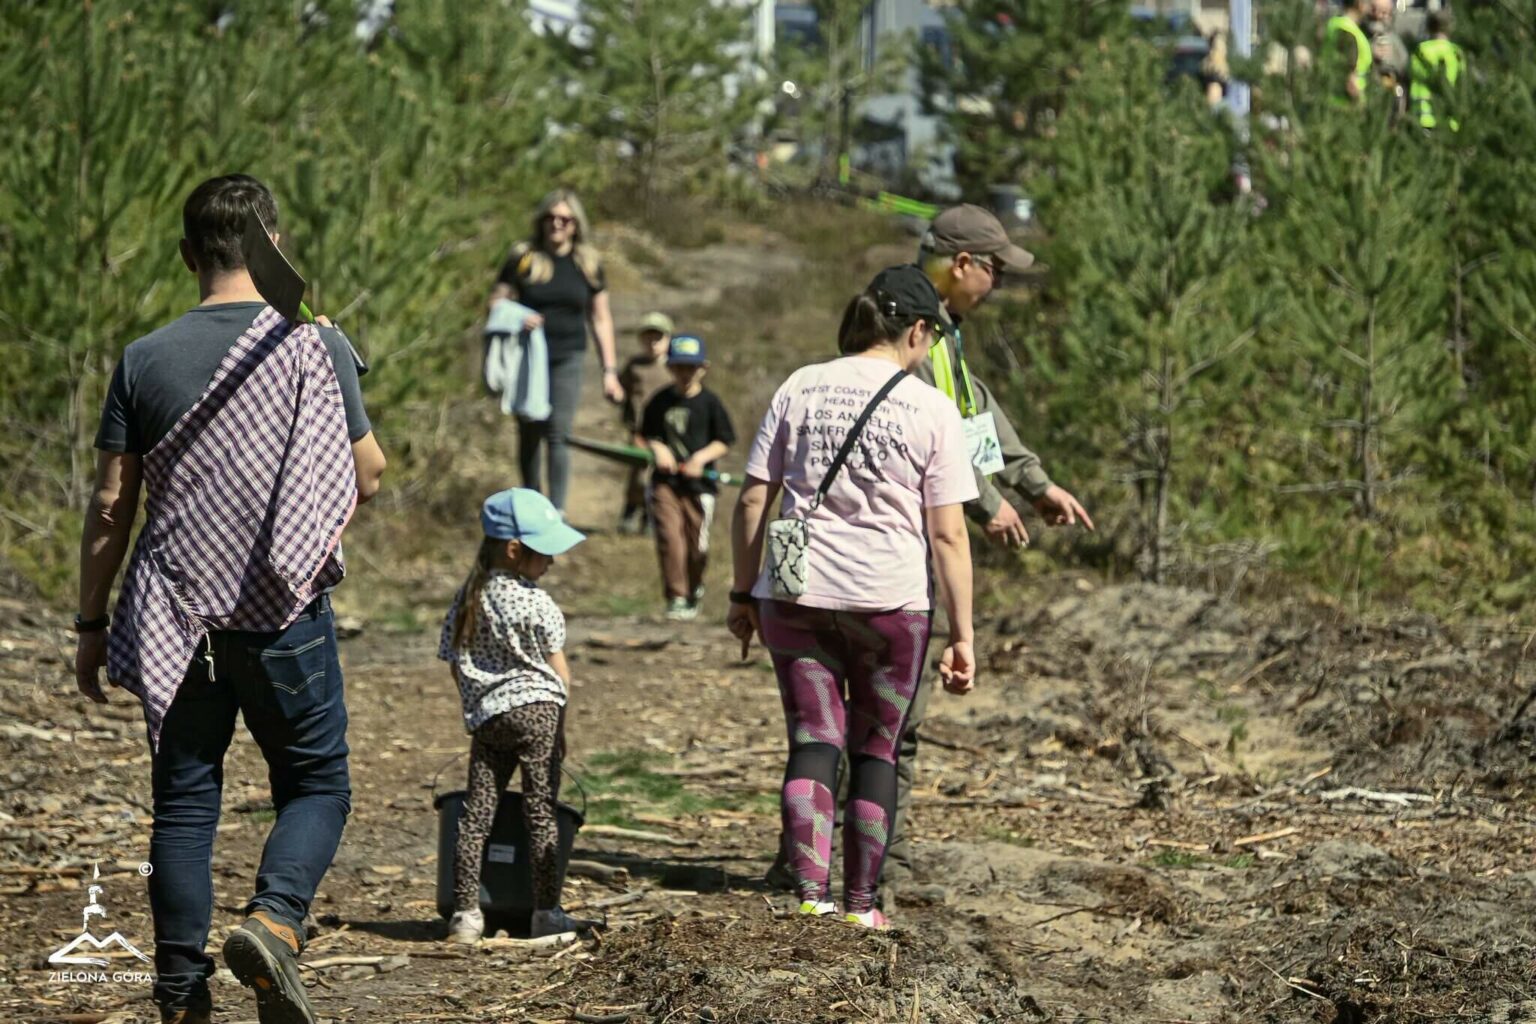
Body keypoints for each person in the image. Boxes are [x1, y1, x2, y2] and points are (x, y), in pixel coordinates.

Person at [74, 174, 387, 1024]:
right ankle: (275, 922)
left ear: (187, 256)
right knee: (318, 782)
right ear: (273, 246)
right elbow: (368, 471)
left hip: (176, 617)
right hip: (281, 611)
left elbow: (111, 504)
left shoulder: (144, 358)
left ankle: (180, 995)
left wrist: (91, 624)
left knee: (183, 805)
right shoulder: (311, 347)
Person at [729, 266, 977, 929]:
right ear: (917, 332)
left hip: (796, 592)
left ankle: (811, 897)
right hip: (890, 600)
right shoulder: (932, 408)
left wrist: (741, 590)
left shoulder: (799, 386)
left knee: (813, 740)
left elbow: (755, 497)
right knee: (876, 752)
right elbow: (949, 534)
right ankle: (861, 907)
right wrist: (964, 635)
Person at [440, 488, 592, 943]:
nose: (551, 561)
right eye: (544, 551)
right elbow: (558, 673)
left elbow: (453, 659)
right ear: (514, 549)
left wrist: (478, 701)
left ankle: (466, 915)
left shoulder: (468, 599)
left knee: (477, 813)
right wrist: (559, 723)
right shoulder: (537, 603)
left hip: (488, 716)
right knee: (541, 813)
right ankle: (546, 913)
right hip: (539, 714)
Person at [490, 189, 623, 513]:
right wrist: (518, 317)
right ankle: (531, 504)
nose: (557, 224)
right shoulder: (523, 258)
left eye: (565, 219)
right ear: (541, 221)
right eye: (550, 218)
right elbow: (496, 302)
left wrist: (609, 372)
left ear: (576, 224)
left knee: (559, 433)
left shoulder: (588, 264)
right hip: (527, 361)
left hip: (569, 357)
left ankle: (556, 512)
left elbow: (601, 318)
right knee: (530, 431)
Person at [641, 334, 736, 621]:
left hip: (699, 485)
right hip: (665, 484)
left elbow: (724, 439)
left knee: (697, 546)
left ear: (703, 368)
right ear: (670, 367)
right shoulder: (659, 401)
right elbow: (647, 434)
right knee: (671, 538)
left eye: (691, 368)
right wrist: (659, 450)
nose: (685, 374)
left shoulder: (710, 403)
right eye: (679, 367)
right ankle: (677, 596)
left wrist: (700, 458)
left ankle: (695, 588)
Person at [618, 312, 676, 534]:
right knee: (638, 475)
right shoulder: (635, 366)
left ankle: (651, 516)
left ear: (668, 339)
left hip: (666, 433)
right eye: (648, 337)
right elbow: (624, 393)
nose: (653, 343)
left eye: (658, 337)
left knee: (660, 476)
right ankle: (630, 511)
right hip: (639, 431)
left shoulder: (674, 367)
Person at [1410, 11, 1464, 130]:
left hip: (1423, 118)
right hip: (1450, 119)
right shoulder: (1456, 53)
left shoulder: (1421, 50)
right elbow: (1463, 85)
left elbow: (1412, 75)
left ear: (1428, 27)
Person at [1327, 0, 1374, 105]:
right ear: (1359, 3)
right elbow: (1349, 76)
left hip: (1335, 101)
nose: (1370, 6)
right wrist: (1359, 102)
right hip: (1346, 105)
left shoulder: (1335, 23)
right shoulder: (1347, 30)